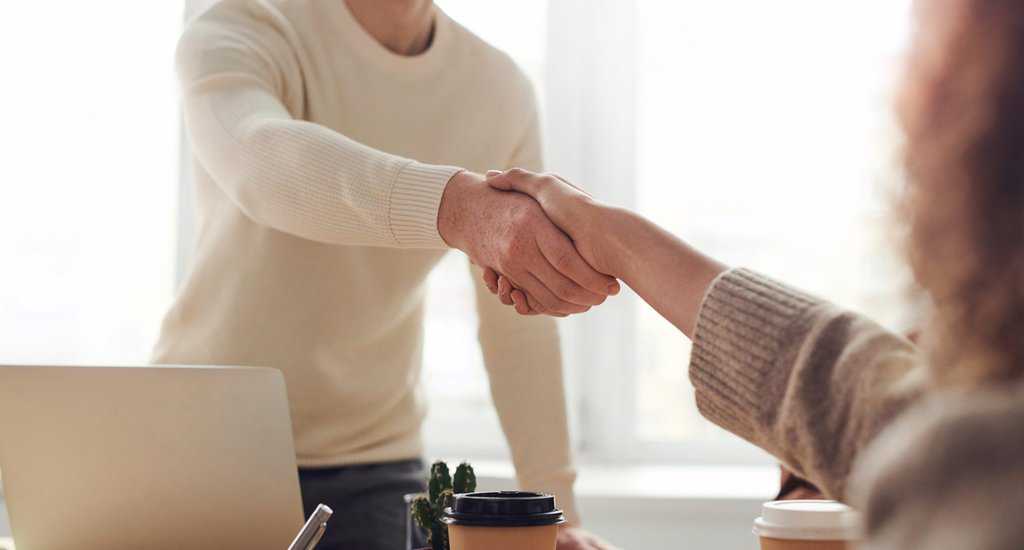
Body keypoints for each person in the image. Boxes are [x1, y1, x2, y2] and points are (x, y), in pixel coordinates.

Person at [481, 0, 1024, 547]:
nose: (906, 92)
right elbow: (874, 403)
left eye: (928, 46)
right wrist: (620, 241)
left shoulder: (977, 478)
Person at [154, 0, 617, 548]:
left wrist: (556, 512)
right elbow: (262, 163)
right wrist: (455, 208)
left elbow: (518, 321)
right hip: (198, 445)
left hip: (373, 463)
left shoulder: (497, 88)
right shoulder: (243, 23)